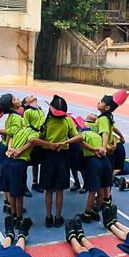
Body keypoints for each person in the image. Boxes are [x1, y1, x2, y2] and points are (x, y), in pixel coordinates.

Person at [0, 108, 58, 226]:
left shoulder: (19, 130)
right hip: (19, 164)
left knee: (12, 192)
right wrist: (49, 144)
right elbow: (32, 140)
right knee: (19, 195)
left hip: (7, 160)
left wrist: (10, 148)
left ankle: (13, 215)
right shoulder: (35, 133)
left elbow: (8, 135)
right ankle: (19, 219)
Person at [40, 95, 83, 228]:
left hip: (48, 157)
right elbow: (79, 137)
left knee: (49, 190)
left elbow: (38, 139)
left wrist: (49, 144)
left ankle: (48, 217)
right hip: (62, 157)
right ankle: (58, 217)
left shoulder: (45, 121)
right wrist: (65, 142)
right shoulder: (68, 121)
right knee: (59, 190)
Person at [0, 93, 23, 213]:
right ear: (11, 106)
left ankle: (7, 203)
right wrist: (4, 131)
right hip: (7, 149)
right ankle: (9, 204)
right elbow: (15, 131)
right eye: (14, 99)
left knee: (5, 176)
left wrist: (4, 132)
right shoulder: (16, 117)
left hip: (3, 146)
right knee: (9, 178)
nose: (18, 99)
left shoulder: (12, 116)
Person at [94, 90, 129, 207]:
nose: (98, 102)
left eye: (101, 102)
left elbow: (104, 133)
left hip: (105, 153)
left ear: (107, 107)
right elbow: (114, 129)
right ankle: (107, 198)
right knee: (108, 176)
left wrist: (104, 147)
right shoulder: (108, 117)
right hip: (110, 152)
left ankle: (104, 199)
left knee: (103, 176)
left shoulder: (103, 119)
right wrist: (121, 137)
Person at [78, 120, 111, 223]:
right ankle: (96, 211)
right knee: (101, 188)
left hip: (93, 161)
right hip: (105, 161)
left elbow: (79, 142)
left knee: (92, 190)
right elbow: (108, 148)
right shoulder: (97, 135)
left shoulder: (82, 134)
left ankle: (87, 214)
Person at [21, 95, 46, 194]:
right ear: (26, 103)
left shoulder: (41, 110)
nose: (31, 96)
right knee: (26, 164)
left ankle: (35, 183)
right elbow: (26, 126)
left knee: (36, 163)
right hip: (32, 140)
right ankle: (23, 186)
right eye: (28, 97)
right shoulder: (27, 112)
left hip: (40, 140)